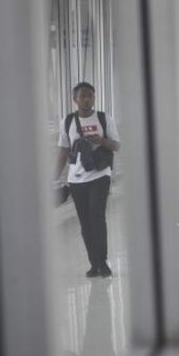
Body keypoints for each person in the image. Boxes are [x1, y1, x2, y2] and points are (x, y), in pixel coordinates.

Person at [54, 82, 121, 277]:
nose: (87, 99)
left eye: (91, 95)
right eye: (83, 95)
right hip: (76, 180)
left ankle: (103, 262)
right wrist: (53, 178)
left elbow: (116, 145)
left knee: (97, 219)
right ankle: (93, 263)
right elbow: (63, 150)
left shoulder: (103, 118)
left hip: (100, 175)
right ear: (75, 100)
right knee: (85, 223)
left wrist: (101, 141)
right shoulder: (67, 122)